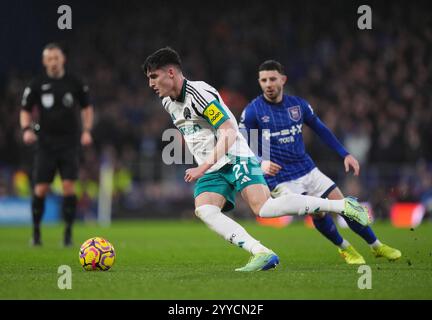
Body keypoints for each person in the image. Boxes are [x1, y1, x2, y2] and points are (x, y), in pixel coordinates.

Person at [142, 47, 370, 271]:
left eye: (154, 76)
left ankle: (342, 205)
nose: (151, 83)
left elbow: (229, 132)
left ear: (171, 73)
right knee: (205, 210)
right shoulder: (168, 102)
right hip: (214, 166)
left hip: (234, 155)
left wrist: (203, 165)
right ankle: (261, 252)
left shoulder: (199, 95)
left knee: (264, 209)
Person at [239, 60, 401, 264]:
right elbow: (242, 144)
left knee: (343, 204)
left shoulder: (298, 105)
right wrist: (260, 162)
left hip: (307, 168)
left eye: (272, 79)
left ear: (283, 79)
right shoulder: (253, 112)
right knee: (319, 213)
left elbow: (321, 129)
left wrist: (345, 154)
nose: (268, 84)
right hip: (280, 177)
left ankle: (376, 246)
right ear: (259, 82)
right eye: (263, 80)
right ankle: (345, 248)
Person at [20, 43, 94, 247]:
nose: (53, 62)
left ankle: (68, 234)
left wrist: (87, 131)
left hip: (69, 143)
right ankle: (36, 233)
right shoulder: (37, 83)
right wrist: (26, 129)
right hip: (45, 144)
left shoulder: (75, 82)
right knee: (41, 188)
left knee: (69, 187)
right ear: (45, 62)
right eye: (49, 59)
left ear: (63, 59)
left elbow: (87, 107)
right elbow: (25, 109)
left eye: (56, 58)